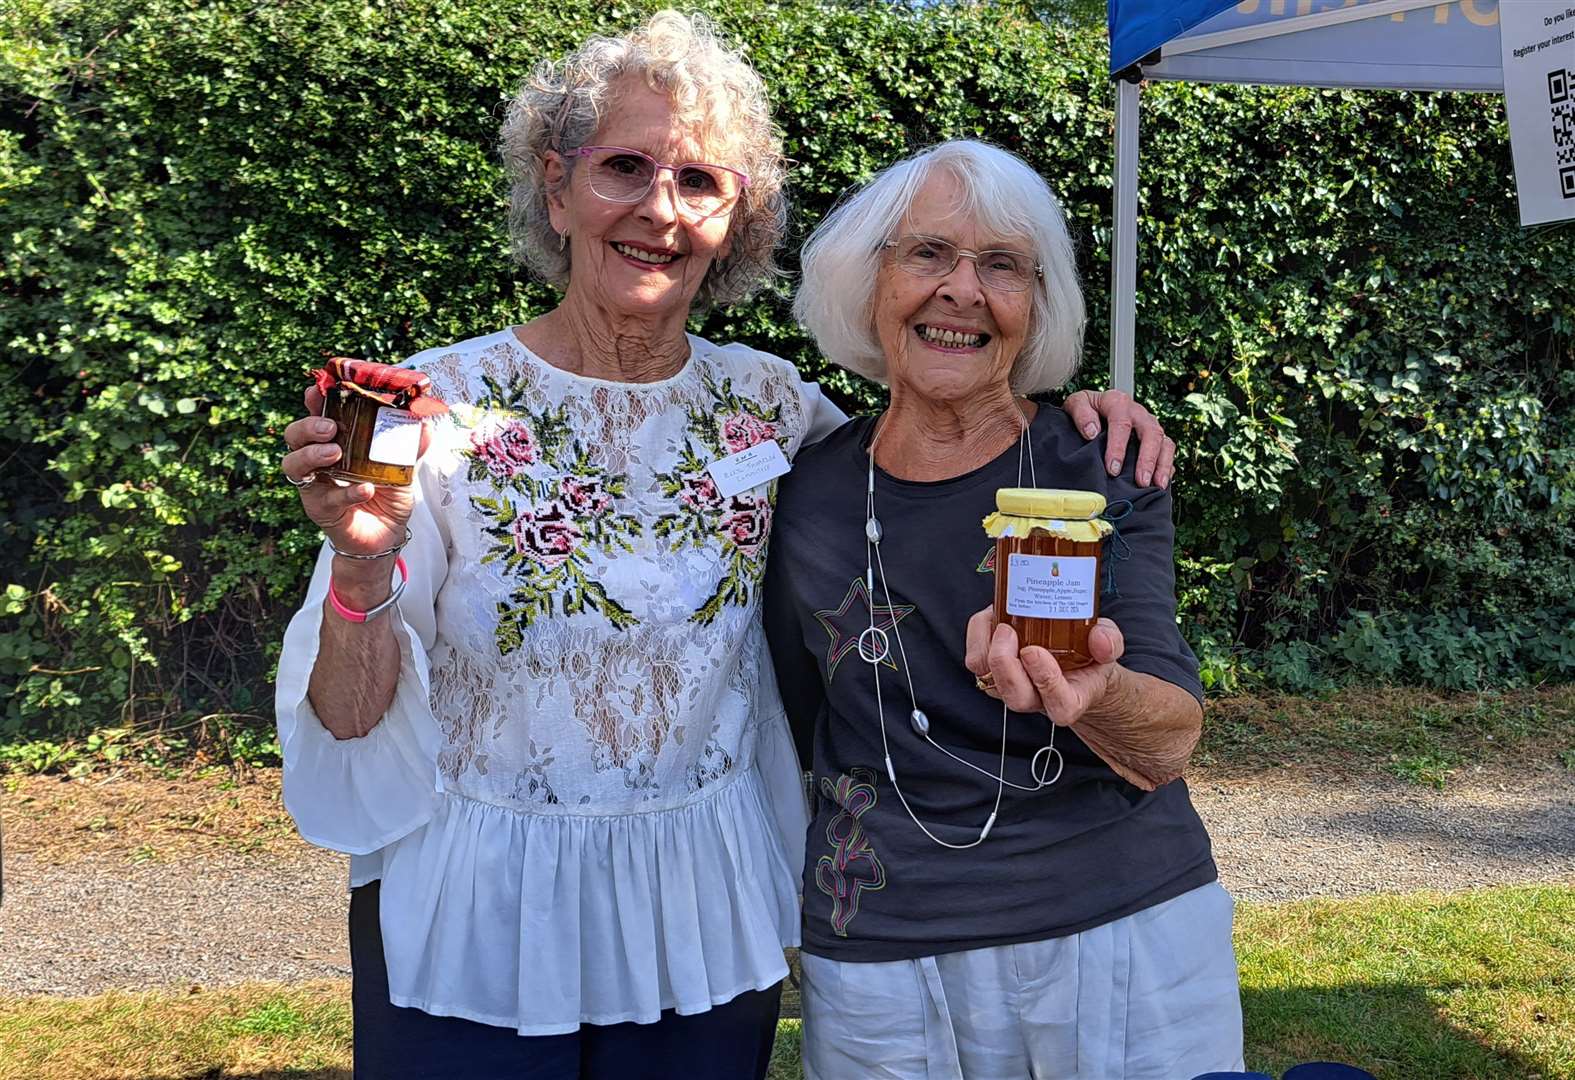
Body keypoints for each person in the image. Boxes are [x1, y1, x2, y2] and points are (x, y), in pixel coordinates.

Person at [275, 14, 1169, 1078]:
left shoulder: (774, 407)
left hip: (698, 908)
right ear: (556, 190)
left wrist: (1074, 419)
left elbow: (937, 448)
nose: (659, 209)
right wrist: (366, 560)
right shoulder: (442, 407)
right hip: (482, 908)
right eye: (623, 167)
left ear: (735, 223)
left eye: (699, 181)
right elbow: (348, 715)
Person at [764, 139, 1243, 1079]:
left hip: (1120, 926)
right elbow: (796, 716)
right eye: (927, 254)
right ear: (866, 284)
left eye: (1002, 266)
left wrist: (1093, 696)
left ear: (1037, 306)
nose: (960, 290)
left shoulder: (1098, 464)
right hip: (880, 948)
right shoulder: (803, 487)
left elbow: (1168, 739)